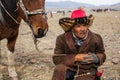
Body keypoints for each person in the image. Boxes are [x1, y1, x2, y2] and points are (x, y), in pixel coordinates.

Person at [52, 9, 106, 80]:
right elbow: (56, 58)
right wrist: (75, 58)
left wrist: (96, 58)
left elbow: (102, 54)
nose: (83, 29)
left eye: (84, 25)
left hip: (88, 70)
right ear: (72, 27)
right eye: (78, 26)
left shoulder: (96, 38)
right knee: (59, 70)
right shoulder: (61, 39)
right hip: (68, 68)